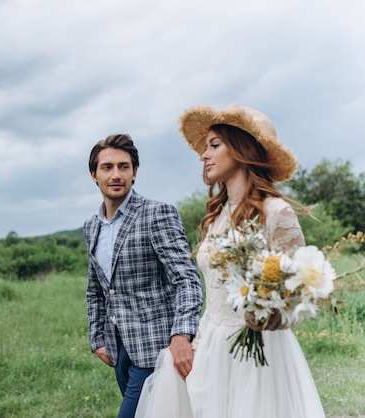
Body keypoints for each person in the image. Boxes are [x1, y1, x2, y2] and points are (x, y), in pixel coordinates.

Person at [139, 104, 326, 417]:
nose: (204, 155)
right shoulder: (217, 215)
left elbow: (300, 295)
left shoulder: (276, 213)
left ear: (242, 149)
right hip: (211, 343)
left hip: (257, 357)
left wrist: (270, 315)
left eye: (214, 146)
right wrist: (195, 342)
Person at [84, 133, 204, 418]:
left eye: (124, 167)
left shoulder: (157, 214)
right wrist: (97, 337)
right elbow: (96, 289)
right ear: (94, 175)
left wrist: (181, 334)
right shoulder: (92, 226)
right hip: (119, 348)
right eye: (107, 167)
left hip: (157, 345)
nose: (116, 174)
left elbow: (186, 277)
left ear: (134, 172)